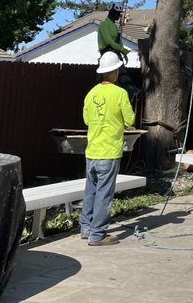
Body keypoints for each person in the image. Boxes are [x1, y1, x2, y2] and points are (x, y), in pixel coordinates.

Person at [81, 50, 135, 246]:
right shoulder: (120, 93)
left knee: (90, 192)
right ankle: (97, 235)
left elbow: (87, 119)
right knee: (104, 194)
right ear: (115, 72)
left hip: (92, 152)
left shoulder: (91, 93)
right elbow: (130, 120)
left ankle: (86, 229)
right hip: (109, 152)